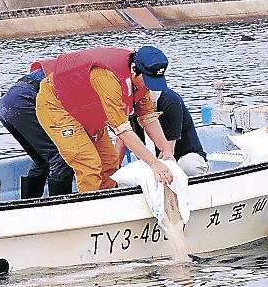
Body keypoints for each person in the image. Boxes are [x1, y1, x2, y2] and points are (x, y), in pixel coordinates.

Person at [33, 45, 175, 192]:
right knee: (89, 166)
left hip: (85, 110)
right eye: (147, 81)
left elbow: (147, 117)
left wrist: (166, 150)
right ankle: (90, 211)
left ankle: (107, 206)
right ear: (134, 69)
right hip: (57, 106)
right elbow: (122, 130)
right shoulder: (107, 77)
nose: (149, 87)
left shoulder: (143, 81)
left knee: (110, 162)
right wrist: (153, 163)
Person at [0, 67, 74, 198]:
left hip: (7, 103)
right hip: (23, 102)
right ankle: (59, 209)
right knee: (61, 157)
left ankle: (28, 205)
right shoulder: (81, 75)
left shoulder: (67, 66)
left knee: (41, 160)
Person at [119, 84, 210, 177]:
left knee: (189, 166)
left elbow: (169, 151)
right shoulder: (128, 103)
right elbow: (122, 137)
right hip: (151, 158)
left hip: (183, 155)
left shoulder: (171, 102)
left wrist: (157, 165)